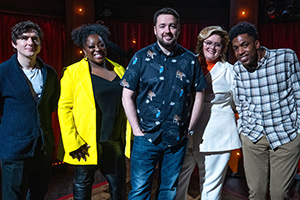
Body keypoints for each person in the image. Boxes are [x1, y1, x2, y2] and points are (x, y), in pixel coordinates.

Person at [120, 7, 207, 200]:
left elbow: (199, 94)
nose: (167, 30)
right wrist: (136, 130)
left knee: (169, 190)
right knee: (139, 191)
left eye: (172, 26)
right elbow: (126, 95)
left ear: (179, 29)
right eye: (163, 26)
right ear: (155, 30)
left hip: (177, 139)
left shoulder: (190, 60)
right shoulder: (141, 57)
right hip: (145, 138)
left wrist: (190, 129)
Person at [57, 23, 131, 200]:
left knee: (118, 184)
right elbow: (64, 108)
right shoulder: (73, 72)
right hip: (86, 141)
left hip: (114, 140)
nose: (97, 49)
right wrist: (73, 143)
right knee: (83, 184)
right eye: (91, 46)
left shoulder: (119, 69)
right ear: (84, 49)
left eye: (101, 44)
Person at [229, 21, 300, 200]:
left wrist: (299, 130)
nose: (240, 52)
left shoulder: (286, 58)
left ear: (257, 44)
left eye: (244, 45)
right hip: (253, 137)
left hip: (286, 135)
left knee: (279, 194)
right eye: (236, 48)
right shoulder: (237, 69)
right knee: (256, 194)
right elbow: (241, 104)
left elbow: (298, 95)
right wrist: (243, 131)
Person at [175, 26, 242, 200]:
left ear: (223, 47)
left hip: (218, 134)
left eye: (217, 44)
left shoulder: (231, 71)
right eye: (208, 43)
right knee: (177, 181)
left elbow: (237, 103)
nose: (212, 47)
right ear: (201, 43)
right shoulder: (188, 64)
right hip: (185, 132)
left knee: (211, 186)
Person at [0, 21, 59, 199]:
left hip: (43, 148)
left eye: (35, 38)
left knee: (39, 194)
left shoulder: (50, 73)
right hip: (14, 149)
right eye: (24, 38)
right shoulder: (2, 72)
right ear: (14, 43)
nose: (30, 42)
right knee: (13, 196)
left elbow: (51, 104)